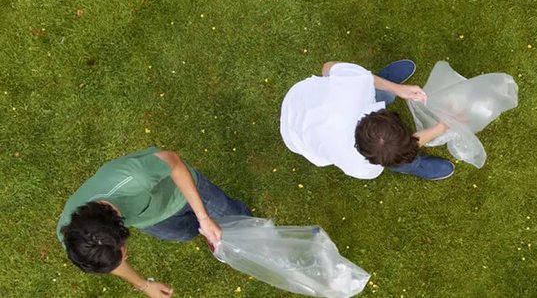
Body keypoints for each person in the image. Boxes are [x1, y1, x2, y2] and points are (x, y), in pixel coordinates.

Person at [58, 147, 252, 297]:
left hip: (178, 189)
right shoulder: (73, 236)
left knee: (232, 216)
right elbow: (109, 259)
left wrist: (204, 217)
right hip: (150, 217)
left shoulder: (134, 178)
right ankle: (210, 234)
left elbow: (174, 162)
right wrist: (144, 285)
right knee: (186, 233)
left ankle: (246, 235)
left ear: (120, 227)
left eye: (122, 253)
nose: (124, 257)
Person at [280, 59, 455, 181]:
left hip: (301, 100)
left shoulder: (353, 86)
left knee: (373, 87)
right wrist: (439, 128)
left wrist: (399, 89)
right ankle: (414, 166)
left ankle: (385, 86)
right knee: (398, 160)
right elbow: (395, 154)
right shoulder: (357, 164)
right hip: (299, 134)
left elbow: (328, 68)